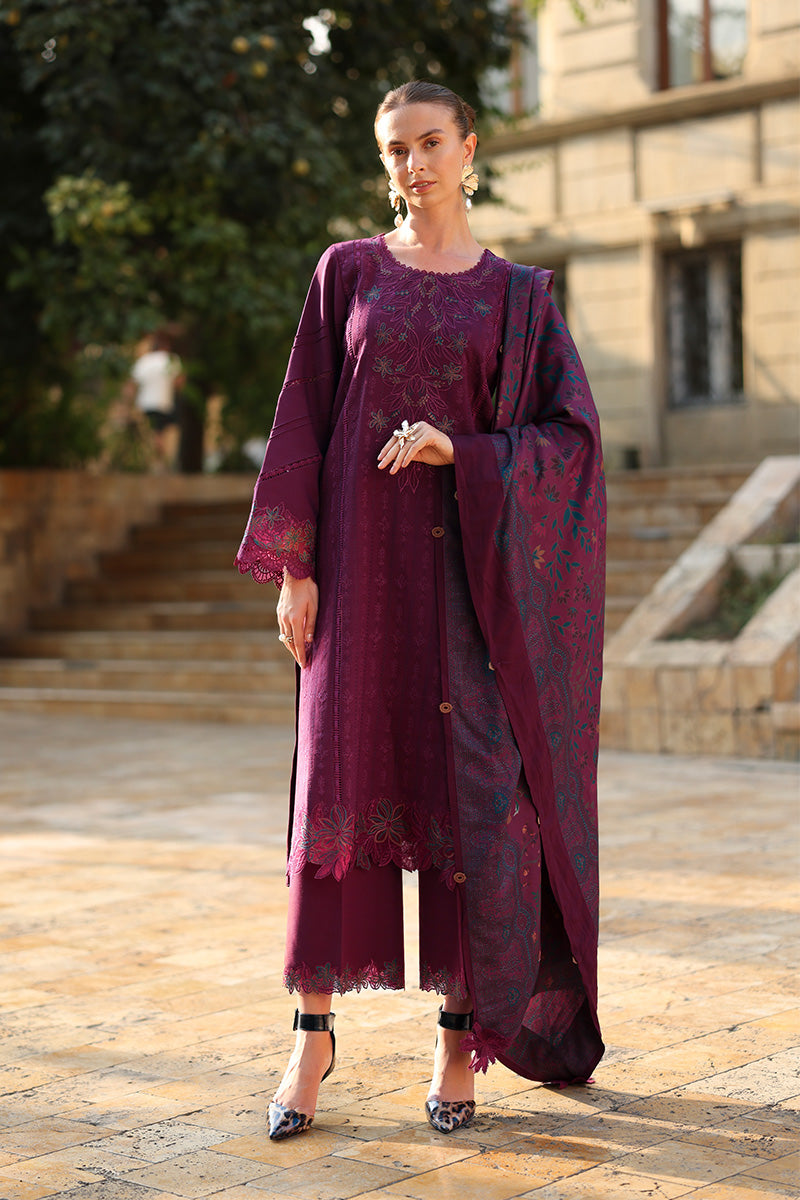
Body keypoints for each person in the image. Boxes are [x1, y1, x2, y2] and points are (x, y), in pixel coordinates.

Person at [236, 80, 606, 1141]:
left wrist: (466, 451)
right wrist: (296, 568)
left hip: (465, 598)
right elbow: (304, 417)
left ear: (468, 149)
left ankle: (456, 1040)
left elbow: (571, 442)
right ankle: (310, 1036)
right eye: (395, 148)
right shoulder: (346, 271)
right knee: (331, 798)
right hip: (356, 583)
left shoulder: (517, 297)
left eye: (431, 142)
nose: (413, 164)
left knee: (467, 807)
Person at [130, 331, 182, 470]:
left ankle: (157, 461)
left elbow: (132, 384)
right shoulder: (171, 359)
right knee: (161, 432)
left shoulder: (144, 361)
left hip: (145, 404)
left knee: (155, 432)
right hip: (164, 403)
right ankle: (161, 461)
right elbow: (179, 382)